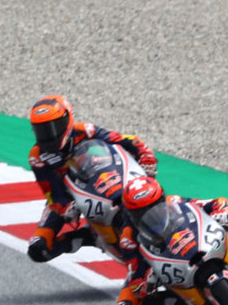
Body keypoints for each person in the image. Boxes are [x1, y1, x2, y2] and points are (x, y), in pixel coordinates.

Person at [26, 95, 158, 263]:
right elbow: (52, 194)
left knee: (146, 189)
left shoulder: (86, 130)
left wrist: (145, 155)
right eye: (41, 130)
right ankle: (85, 237)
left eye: (52, 127)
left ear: (67, 120)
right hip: (68, 196)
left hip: (101, 178)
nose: (47, 135)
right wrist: (65, 207)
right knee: (39, 248)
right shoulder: (38, 157)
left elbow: (126, 140)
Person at [116, 176, 228, 305]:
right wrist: (146, 281)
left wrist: (220, 211)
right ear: (131, 214)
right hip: (166, 265)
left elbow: (216, 203)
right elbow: (135, 275)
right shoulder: (128, 238)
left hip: (196, 244)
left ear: (162, 199)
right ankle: (183, 302)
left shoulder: (175, 202)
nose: (152, 216)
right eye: (141, 213)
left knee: (221, 230)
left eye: (154, 207)